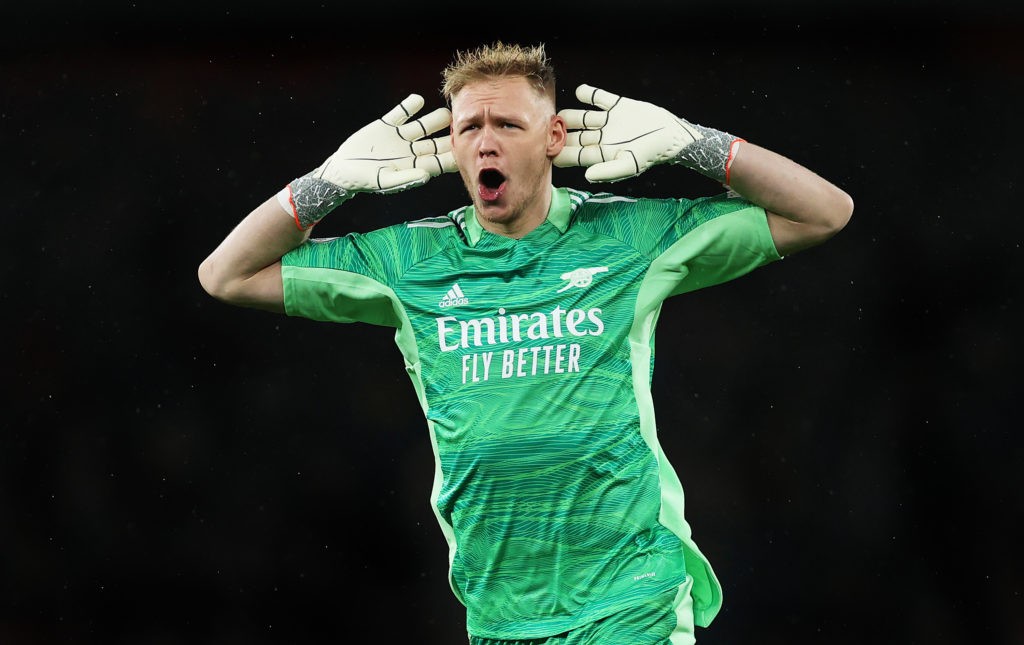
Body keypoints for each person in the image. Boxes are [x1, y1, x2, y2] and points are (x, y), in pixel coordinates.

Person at [198, 41, 853, 644]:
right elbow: (225, 274)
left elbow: (824, 211)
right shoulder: (410, 261)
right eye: (468, 128)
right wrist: (329, 183)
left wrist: (693, 144)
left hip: (631, 599)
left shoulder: (629, 237)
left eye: (508, 125)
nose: (486, 143)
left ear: (554, 137)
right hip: (500, 609)